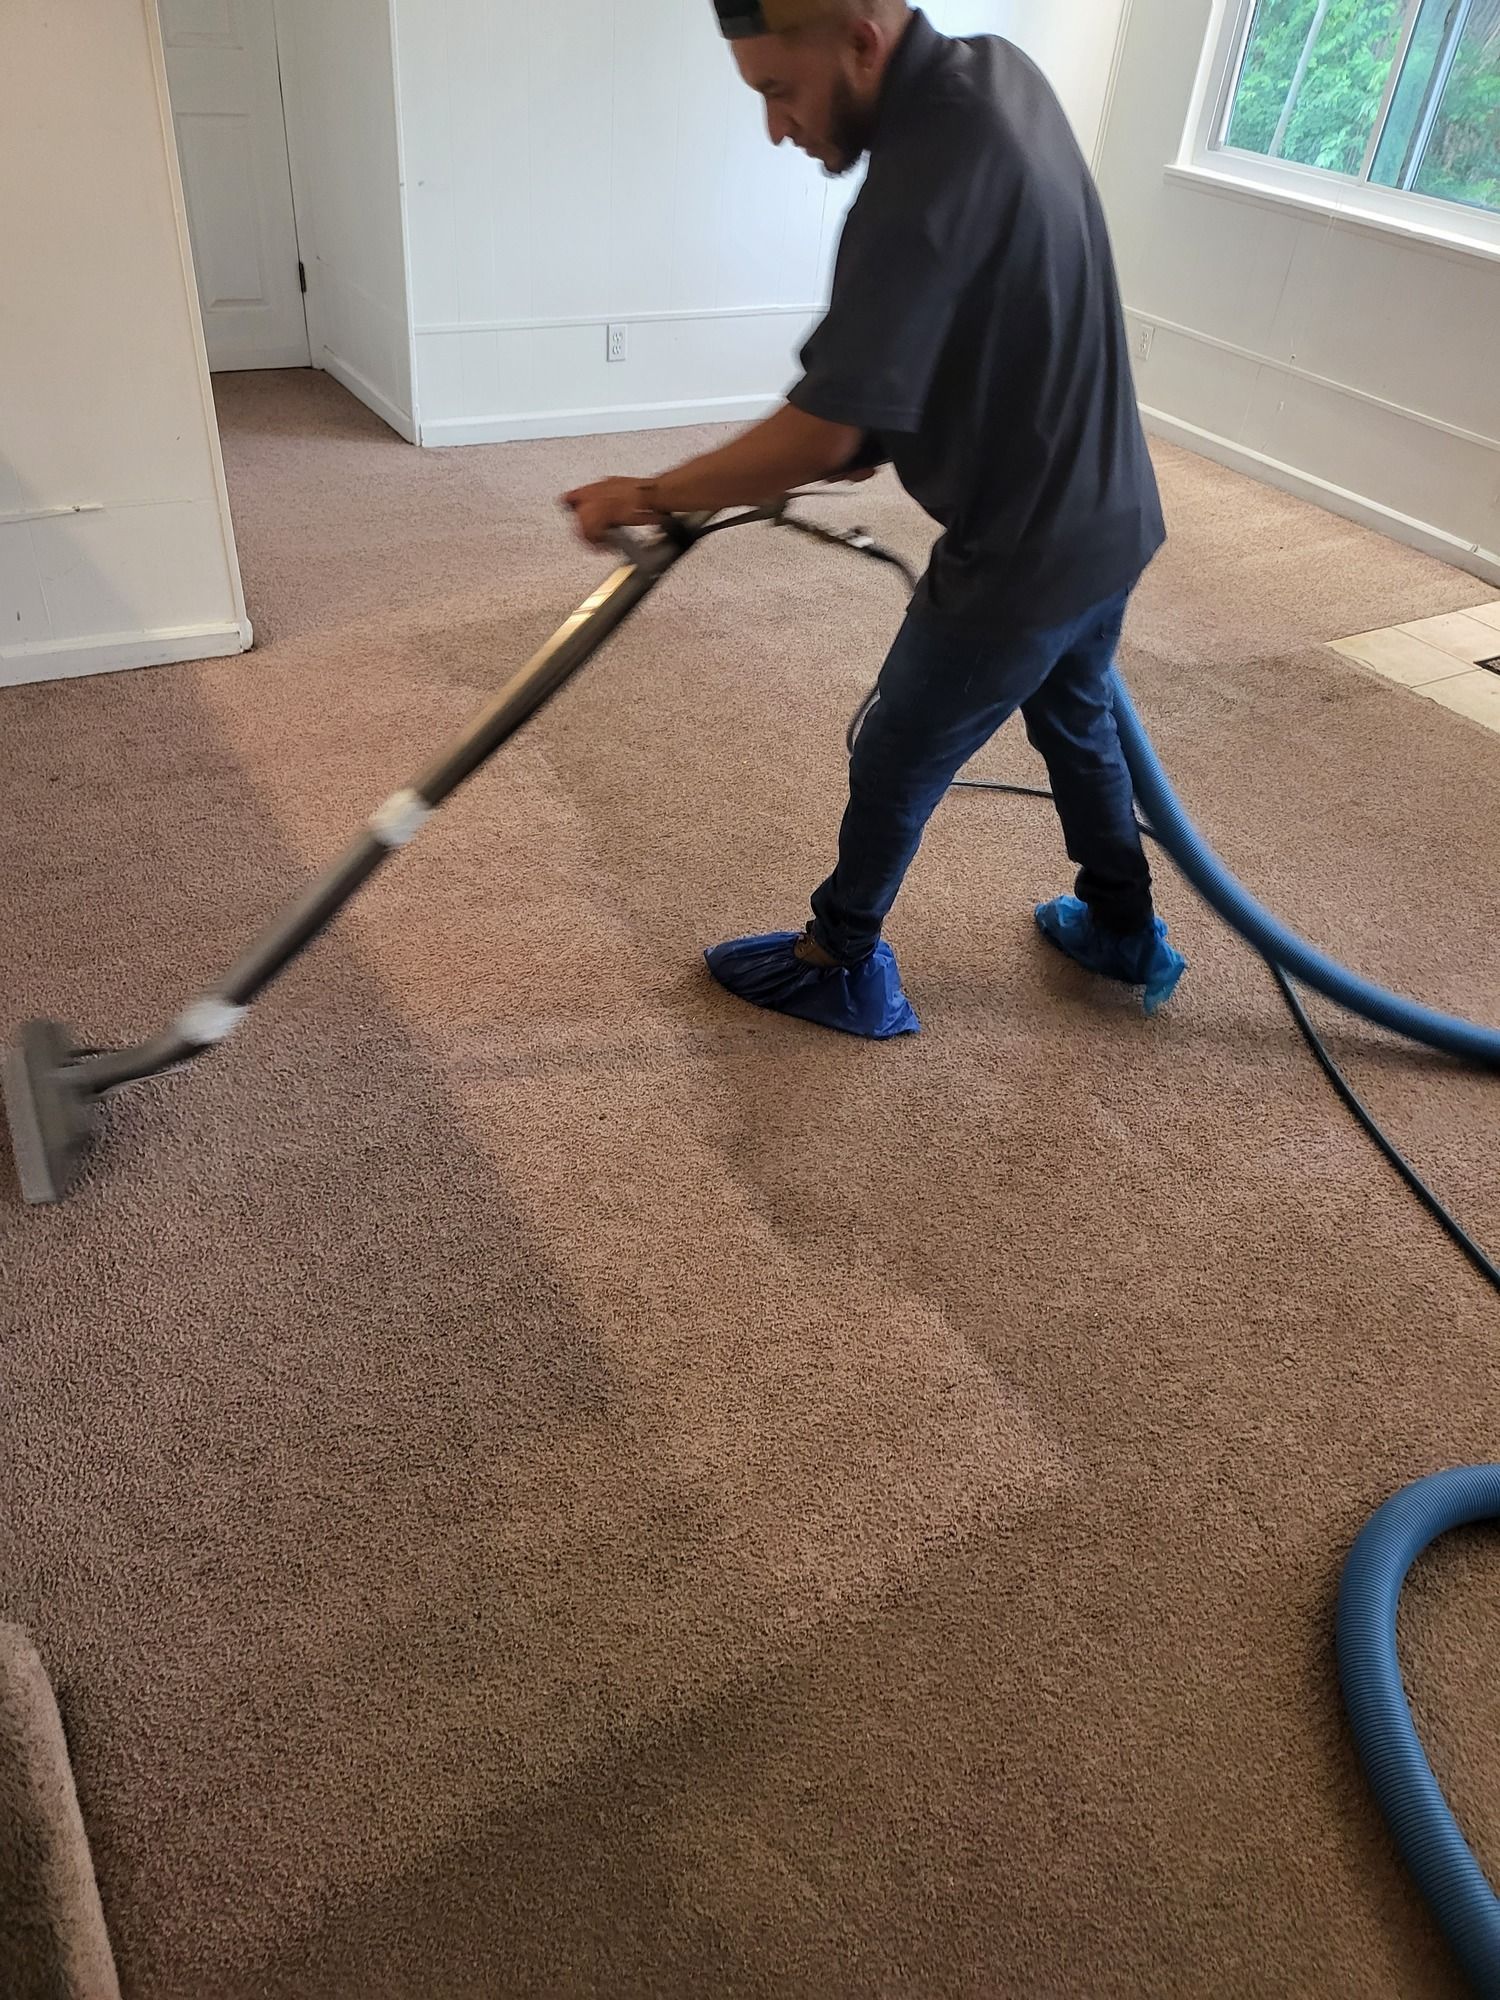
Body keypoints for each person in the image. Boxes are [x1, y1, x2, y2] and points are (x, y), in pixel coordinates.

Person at [564, 0, 1185, 1039]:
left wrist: (647, 493)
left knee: (897, 745)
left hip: (1022, 549)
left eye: (778, 90)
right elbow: (989, 306)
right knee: (1075, 718)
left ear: (859, 37)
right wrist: (868, 431)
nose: (775, 126)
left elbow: (818, 436)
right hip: (1112, 510)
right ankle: (1123, 925)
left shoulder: (916, 187)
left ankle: (838, 955)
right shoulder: (1000, 74)